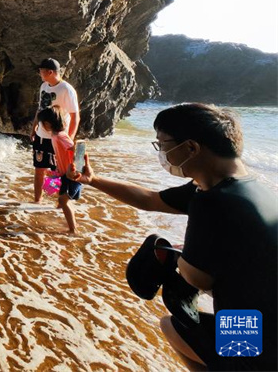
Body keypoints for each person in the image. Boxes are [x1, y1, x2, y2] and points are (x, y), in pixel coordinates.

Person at [77, 103, 277, 371]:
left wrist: (174, 254)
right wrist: (93, 181)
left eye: (163, 143)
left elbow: (197, 277)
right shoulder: (245, 188)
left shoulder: (214, 201)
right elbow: (151, 200)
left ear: (191, 148)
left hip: (254, 338)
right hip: (260, 321)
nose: (161, 152)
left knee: (172, 326)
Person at [30, 58, 80, 203]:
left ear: (50, 72)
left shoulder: (66, 89)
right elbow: (40, 109)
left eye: (41, 71)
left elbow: (75, 117)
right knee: (39, 170)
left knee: (56, 173)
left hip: (57, 138)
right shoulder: (44, 86)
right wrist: (34, 128)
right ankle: (37, 202)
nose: (39, 73)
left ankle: (58, 204)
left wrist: (69, 139)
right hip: (41, 136)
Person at [37, 106, 81, 233]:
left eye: (42, 124)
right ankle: (60, 212)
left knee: (64, 200)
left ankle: (73, 230)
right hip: (63, 173)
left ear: (47, 124)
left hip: (71, 175)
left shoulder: (61, 136)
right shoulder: (55, 135)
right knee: (58, 195)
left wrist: (76, 170)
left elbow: (77, 150)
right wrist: (56, 171)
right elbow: (61, 155)